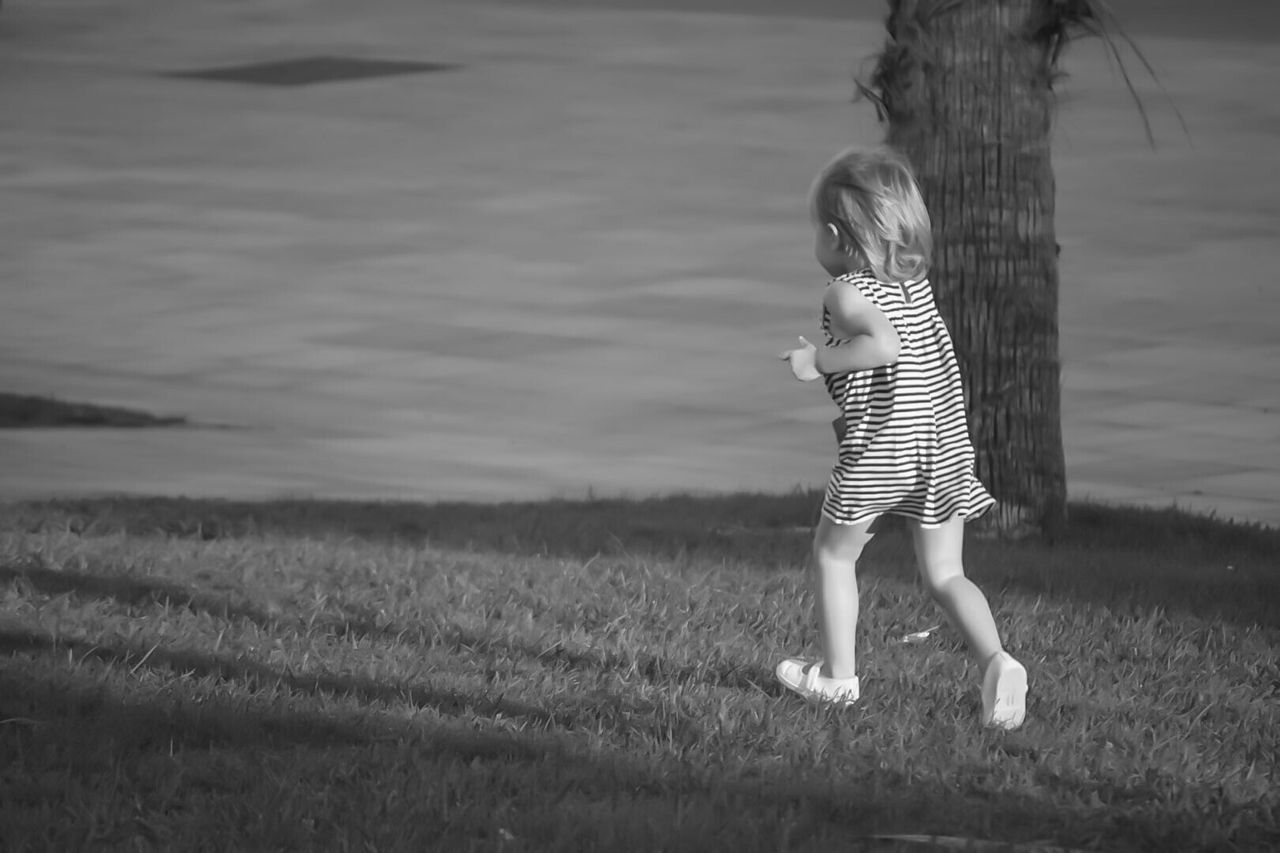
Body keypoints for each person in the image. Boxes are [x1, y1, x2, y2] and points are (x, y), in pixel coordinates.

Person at [776, 146, 1027, 730]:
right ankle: (998, 660)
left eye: (817, 230)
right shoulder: (915, 282)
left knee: (833, 554)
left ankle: (837, 679)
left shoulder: (845, 292)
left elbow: (882, 347)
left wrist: (818, 360)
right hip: (940, 448)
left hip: (881, 452)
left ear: (836, 236)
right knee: (946, 574)